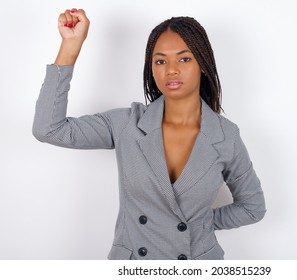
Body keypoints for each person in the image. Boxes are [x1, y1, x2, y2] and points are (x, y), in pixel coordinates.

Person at [33, 8, 266, 260]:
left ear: (203, 64)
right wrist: (70, 46)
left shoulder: (226, 136)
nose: (171, 69)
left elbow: (253, 208)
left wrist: (200, 222)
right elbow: (48, 129)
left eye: (184, 59)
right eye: (160, 60)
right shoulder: (126, 123)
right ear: (151, 69)